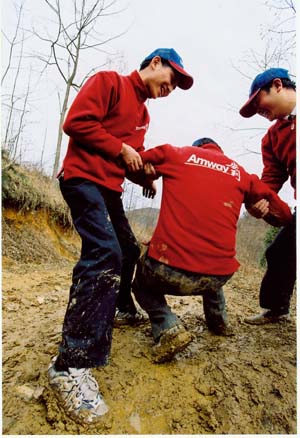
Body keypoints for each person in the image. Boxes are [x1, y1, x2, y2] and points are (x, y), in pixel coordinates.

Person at [47, 48, 193, 424]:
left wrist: (143, 174)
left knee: (128, 249)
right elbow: (77, 123)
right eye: (171, 78)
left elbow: (126, 160)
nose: (171, 87)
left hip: (109, 188)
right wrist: (122, 148)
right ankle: (70, 364)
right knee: (105, 252)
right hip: (81, 179)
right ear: (155, 62)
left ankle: (119, 307)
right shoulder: (108, 82)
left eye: (177, 85)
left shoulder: (143, 115)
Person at [131, 137, 293, 364]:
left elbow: (132, 161)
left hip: (168, 270)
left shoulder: (176, 154)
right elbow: (285, 215)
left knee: (140, 283)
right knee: (213, 263)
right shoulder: (239, 172)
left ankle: (168, 327)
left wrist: (146, 177)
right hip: (218, 277)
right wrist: (259, 209)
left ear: (197, 148)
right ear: (220, 151)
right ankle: (219, 322)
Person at [239, 68, 296, 325]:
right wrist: (257, 201)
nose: (258, 113)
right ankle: (276, 309)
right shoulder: (272, 138)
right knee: (280, 253)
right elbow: (271, 181)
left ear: (277, 85)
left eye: (258, 103)